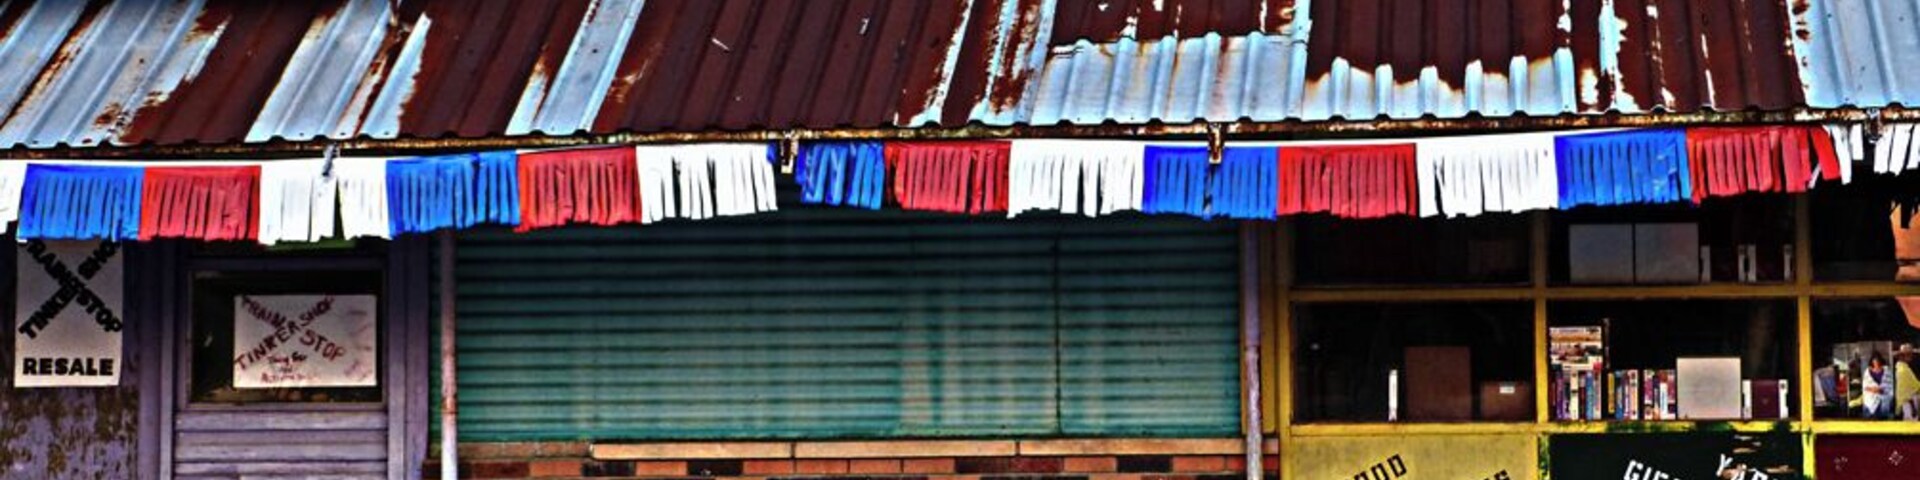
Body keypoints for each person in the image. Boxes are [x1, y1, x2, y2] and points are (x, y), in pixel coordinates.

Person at [1863, 353, 1895, 419]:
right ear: (1872, 362)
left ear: (1881, 361)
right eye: (1874, 361)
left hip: (1884, 400)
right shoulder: (1867, 372)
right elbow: (1865, 386)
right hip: (1870, 400)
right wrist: (1873, 389)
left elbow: (1890, 385)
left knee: (1883, 420)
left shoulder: (1887, 371)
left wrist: (1882, 390)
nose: (1876, 363)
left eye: (1878, 360)